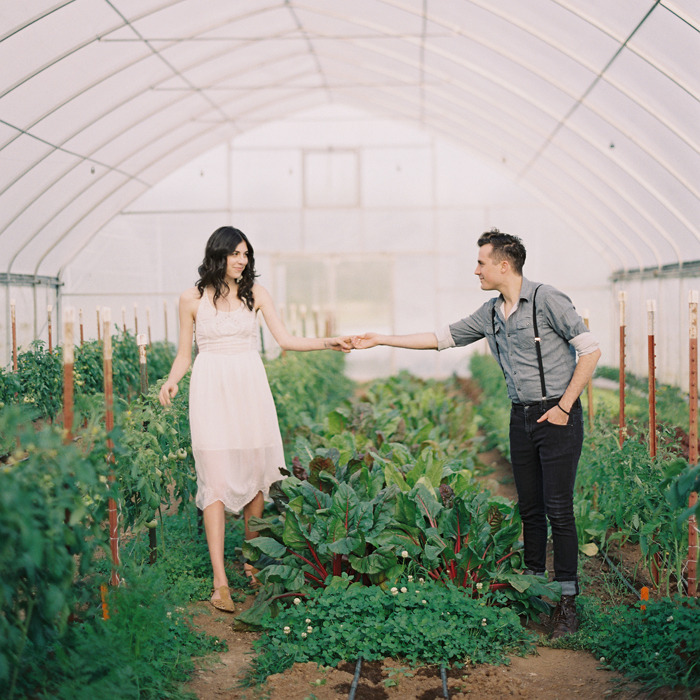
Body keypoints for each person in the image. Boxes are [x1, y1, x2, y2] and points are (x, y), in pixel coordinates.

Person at [352, 229, 601, 638]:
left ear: (505, 265)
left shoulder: (546, 299)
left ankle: (568, 604)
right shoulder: (489, 313)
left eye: (481, 263)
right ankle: (534, 592)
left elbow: (590, 350)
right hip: (521, 418)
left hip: (557, 416)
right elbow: (439, 339)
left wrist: (563, 406)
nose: (476, 270)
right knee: (530, 510)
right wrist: (380, 338)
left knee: (560, 510)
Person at [159, 226, 352, 612]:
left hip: (250, 389)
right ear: (218, 255)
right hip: (211, 390)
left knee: (254, 472)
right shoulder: (191, 299)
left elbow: (286, 340)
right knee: (213, 477)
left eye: (246, 254)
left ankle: (251, 563)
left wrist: (328, 342)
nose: (242, 261)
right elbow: (185, 353)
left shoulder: (256, 295)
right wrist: (171, 381)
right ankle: (220, 581)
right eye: (235, 254)